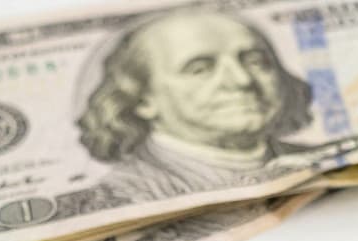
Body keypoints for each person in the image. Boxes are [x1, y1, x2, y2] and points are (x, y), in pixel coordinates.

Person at [78, 10, 315, 201]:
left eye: (255, 62)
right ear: (142, 99)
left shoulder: (315, 160)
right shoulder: (121, 195)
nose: (241, 80)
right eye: (200, 69)